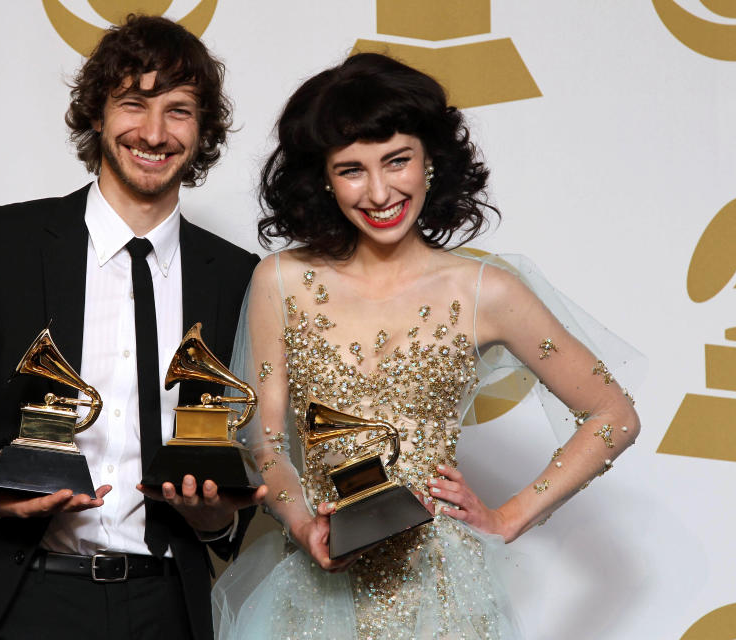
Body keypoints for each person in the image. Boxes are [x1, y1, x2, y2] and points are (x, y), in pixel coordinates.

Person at [212, 53, 643, 639]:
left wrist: (508, 517)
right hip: (315, 594)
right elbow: (263, 437)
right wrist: (300, 520)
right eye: (352, 169)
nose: (380, 191)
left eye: (397, 161)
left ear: (431, 161)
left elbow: (613, 415)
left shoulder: (484, 291)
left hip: (440, 596)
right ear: (323, 178)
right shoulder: (281, 280)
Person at [0, 15, 264, 640]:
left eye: (179, 110)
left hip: (167, 606)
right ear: (97, 115)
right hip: (19, 597)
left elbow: (241, 456)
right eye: (133, 103)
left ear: (202, 132)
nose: (154, 132)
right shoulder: (0, 243)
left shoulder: (239, 277)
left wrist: (214, 521)